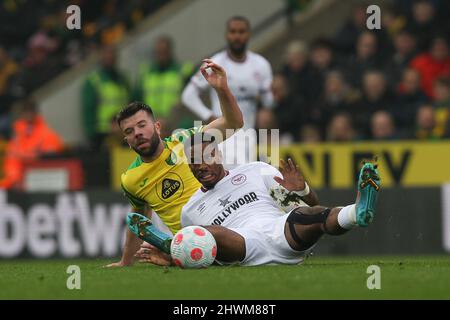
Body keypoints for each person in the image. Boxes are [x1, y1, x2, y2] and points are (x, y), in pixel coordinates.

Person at [130, 132, 381, 266]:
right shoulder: (191, 209)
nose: (200, 166)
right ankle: (169, 246)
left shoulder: (254, 170)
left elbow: (310, 206)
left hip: (280, 232)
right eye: (193, 161)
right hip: (244, 247)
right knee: (205, 233)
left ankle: (357, 212)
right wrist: (175, 260)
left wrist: (302, 191)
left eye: (205, 157)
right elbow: (200, 254)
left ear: (218, 154)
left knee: (306, 215)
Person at [106, 59, 244, 267]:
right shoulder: (131, 179)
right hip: (194, 242)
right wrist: (125, 261)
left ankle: (172, 254)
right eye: (129, 131)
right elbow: (138, 217)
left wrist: (221, 89)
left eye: (142, 125)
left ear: (158, 127)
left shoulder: (188, 141)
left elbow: (233, 123)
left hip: (228, 223)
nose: (138, 133)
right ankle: (175, 252)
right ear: (126, 140)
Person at [181, 16, 274, 168]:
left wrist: (268, 97)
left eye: (241, 32)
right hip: (223, 133)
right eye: (233, 32)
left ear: (248, 34)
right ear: (227, 35)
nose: (237, 36)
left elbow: (268, 102)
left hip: (248, 134)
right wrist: (209, 116)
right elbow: (188, 96)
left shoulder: (261, 65)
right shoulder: (215, 63)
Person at [0, 100, 64, 189]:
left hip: (41, 181)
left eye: (30, 111)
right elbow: (11, 161)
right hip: (18, 182)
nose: (28, 115)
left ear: (36, 113)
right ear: (21, 114)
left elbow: (51, 162)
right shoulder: (17, 137)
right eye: (25, 112)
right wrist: (15, 178)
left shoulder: (48, 135)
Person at [134, 36, 193, 129]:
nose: (161, 55)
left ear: (170, 51)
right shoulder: (145, 72)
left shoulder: (183, 71)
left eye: (164, 51)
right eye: (158, 52)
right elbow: (136, 99)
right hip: (151, 123)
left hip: (175, 123)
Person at [81, 45, 130, 150]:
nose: (110, 60)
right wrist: (91, 134)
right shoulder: (94, 81)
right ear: (101, 58)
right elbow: (88, 109)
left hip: (122, 134)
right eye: (107, 57)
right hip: (101, 134)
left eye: (112, 57)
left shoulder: (123, 80)